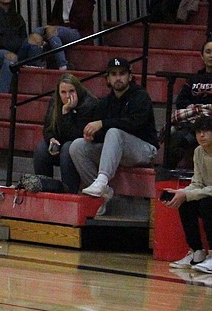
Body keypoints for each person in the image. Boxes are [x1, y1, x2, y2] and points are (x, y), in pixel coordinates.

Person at [71, 57, 159, 215]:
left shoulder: (141, 96)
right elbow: (103, 133)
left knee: (114, 131)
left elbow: (135, 124)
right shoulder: (105, 103)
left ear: (130, 76)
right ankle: (104, 193)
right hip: (117, 149)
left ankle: (102, 180)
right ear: (108, 78)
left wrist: (103, 124)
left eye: (122, 73)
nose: (118, 78)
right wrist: (93, 135)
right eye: (114, 74)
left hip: (144, 149)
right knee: (77, 146)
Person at [32, 74, 97, 193]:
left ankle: (69, 192)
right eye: (63, 92)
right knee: (41, 149)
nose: (68, 96)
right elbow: (48, 128)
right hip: (61, 145)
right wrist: (51, 139)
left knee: (68, 148)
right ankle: (44, 189)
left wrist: (66, 113)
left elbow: (76, 135)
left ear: (78, 89)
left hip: (81, 149)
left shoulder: (89, 104)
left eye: (71, 91)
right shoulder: (55, 101)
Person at [166, 115, 212, 271]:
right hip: (208, 194)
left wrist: (188, 194)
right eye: (198, 131)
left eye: (206, 131)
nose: (201, 135)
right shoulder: (199, 151)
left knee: (207, 204)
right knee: (185, 203)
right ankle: (197, 252)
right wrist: (181, 192)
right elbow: (197, 183)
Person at [39, 0, 96, 69]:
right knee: (38, 31)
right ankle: (36, 64)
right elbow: (55, 17)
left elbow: (81, 22)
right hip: (64, 28)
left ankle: (62, 64)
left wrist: (57, 27)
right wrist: (49, 26)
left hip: (78, 32)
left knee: (53, 32)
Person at [165, 39, 212, 169]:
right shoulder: (193, 79)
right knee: (177, 141)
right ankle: (168, 177)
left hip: (210, 121)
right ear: (202, 56)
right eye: (208, 52)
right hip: (193, 123)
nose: (211, 55)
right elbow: (181, 101)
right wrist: (197, 109)